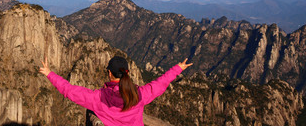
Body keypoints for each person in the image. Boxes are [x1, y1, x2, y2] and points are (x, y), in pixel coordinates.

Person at [39, 56, 193, 126]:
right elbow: (159, 84)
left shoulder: (98, 98)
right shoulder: (139, 95)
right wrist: (177, 68)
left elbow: (70, 91)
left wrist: (49, 73)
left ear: (109, 73)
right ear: (127, 72)